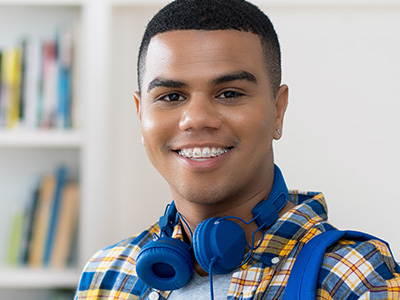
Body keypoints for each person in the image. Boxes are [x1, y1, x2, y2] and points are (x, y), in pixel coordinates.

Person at [75, 0, 400, 299]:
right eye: (171, 96)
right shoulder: (107, 275)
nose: (197, 119)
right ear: (141, 114)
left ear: (278, 110)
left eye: (229, 93)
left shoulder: (352, 277)